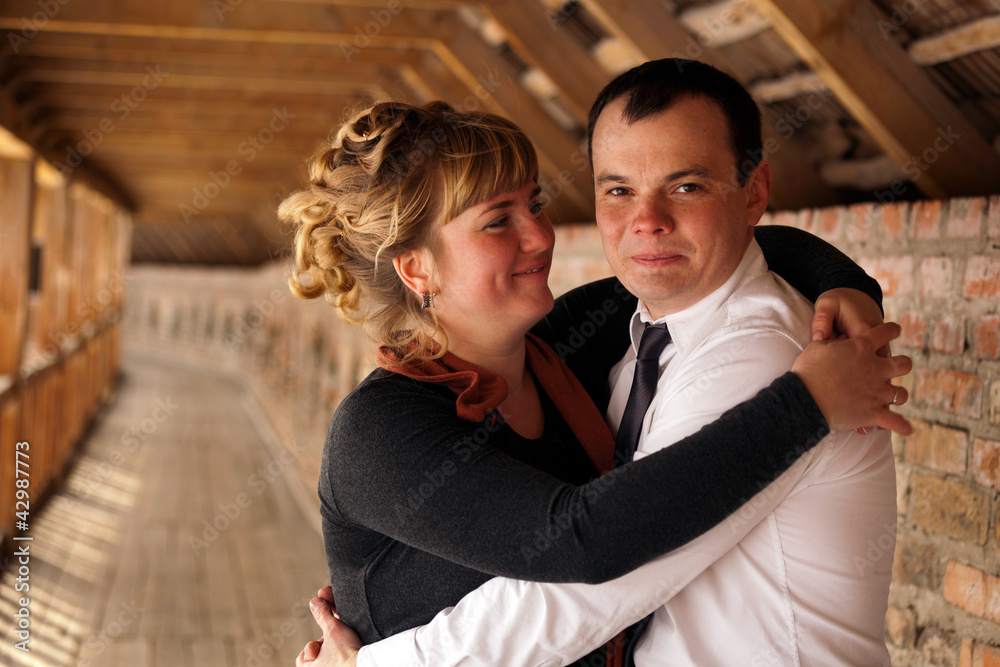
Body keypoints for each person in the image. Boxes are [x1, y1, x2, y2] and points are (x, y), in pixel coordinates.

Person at [283, 96, 911, 667]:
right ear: (417, 268)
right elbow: (585, 543)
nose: (539, 236)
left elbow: (719, 245)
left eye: (534, 204)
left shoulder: (566, 341)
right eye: (498, 221)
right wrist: (808, 406)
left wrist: (848, 288)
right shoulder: (378, 433)